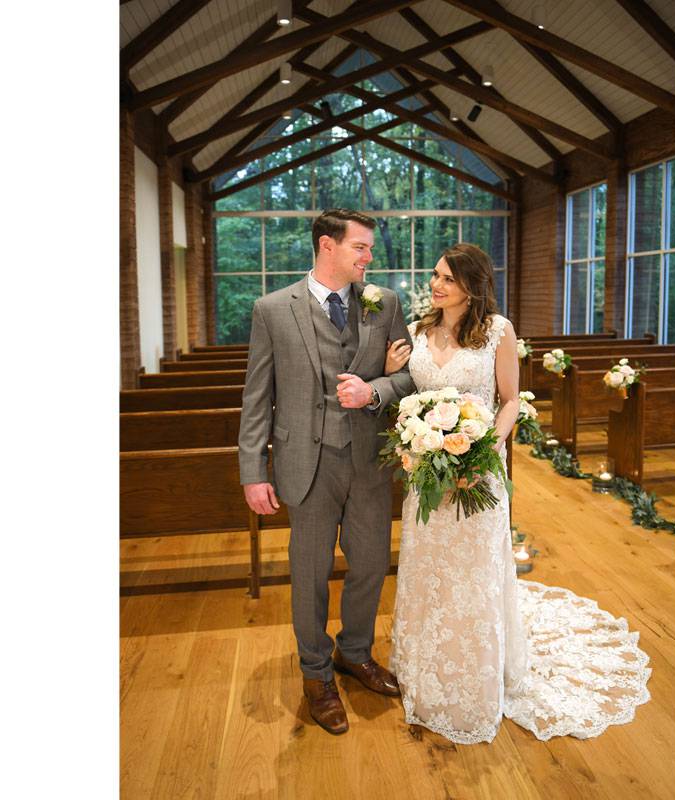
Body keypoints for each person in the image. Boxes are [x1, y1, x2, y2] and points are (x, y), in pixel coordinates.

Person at [384, 243, 652, 744]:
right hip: (426, 473)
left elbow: (509, 401)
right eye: (435, 276)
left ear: (471, 284)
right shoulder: (418, 332)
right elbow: (407, 392)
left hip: (477, 466)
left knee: (474, 568)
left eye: (446, 278)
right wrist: (401, 394)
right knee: (429, 565)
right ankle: (425, 662)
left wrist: (483, 447)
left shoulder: (498, 332)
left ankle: (480, 672)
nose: (436, 284)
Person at [238, 208, 415, 735]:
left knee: (369, 565)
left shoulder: (385, 304)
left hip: (367, 461)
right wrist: (253, 470)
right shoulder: (272, 309)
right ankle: (315, 674)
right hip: (303, 463)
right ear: (327, 247)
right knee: (310, 576)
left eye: (369, 248)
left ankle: (354, 653)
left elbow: (410, 376)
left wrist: (375, 390)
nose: (369, 256)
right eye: (360, 247)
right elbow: (257, 397)